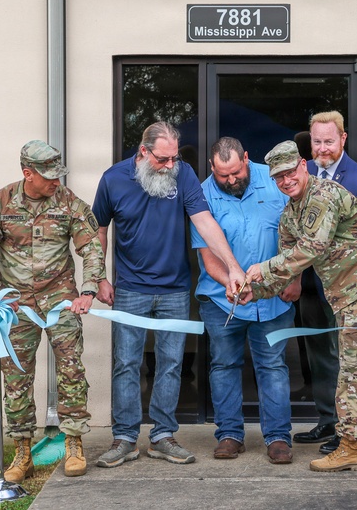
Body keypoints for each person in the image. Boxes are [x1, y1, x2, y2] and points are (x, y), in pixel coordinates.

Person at [234, 140, 357, 473]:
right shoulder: (290, 214)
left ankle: (351, 446)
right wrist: (254, 290)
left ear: (303, 166)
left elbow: (311, 248)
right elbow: (288, 267)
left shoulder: (323, 196)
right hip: (346, 292)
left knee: (353, 368)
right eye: (278, 176)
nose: (286, 181)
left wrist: (260, 270)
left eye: (290, 172)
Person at [92, 121, 246, 468]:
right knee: (126, 364)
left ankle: (162, 436)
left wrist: (233, 267)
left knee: (172, 364)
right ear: (143, 152)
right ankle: (125, 438)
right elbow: (98, 230)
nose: (169, 165)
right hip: (130, 288)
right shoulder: (113, 179)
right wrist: (98, 277)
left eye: (174, 158)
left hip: (176, 288)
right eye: (163, 159)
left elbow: (204, 220)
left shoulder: (183, 173)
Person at [0, 140, 105, 481]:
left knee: (71, 370)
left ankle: (73, 442)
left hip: (60, 299)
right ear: (27, 173)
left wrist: (89, 289)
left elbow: (91, 247)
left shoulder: (69, 203)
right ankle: (22, 450)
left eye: (58, 174)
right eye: (48, 176)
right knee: (16, 378)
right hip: (16, 307)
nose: (55, 182)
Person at [191, 137, 300, 465]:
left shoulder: (276, 180)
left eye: (236, 172)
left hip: (274, 297)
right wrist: (231, 283)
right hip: (223, 299)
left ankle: (279, 437)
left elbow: (298, 239)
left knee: (273, 366)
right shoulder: (203, 193)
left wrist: (295, 278)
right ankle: (229, 434)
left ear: (247, 159)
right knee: (224, 365)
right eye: (223, 175)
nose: (231, 180)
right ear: (212, 168)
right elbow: (208, 258)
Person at [294, 111, 357, 455]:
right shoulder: (306, 175)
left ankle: (350, 431)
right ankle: (327, 420)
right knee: (319, 358)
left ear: (343, 139)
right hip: (314, 288)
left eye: (328, 141)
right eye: (316, 142)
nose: (322, 148)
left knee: (348, 362)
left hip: (348, 291)